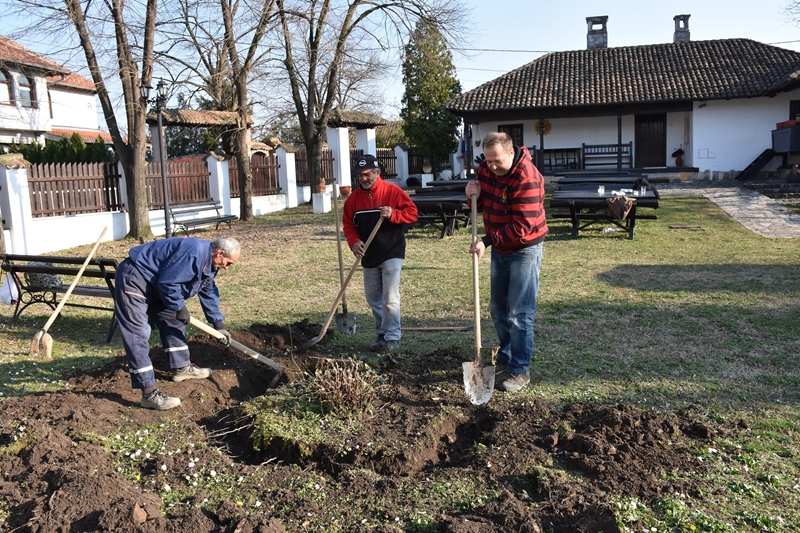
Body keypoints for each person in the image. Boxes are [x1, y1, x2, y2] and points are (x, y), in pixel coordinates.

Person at [114, 236, 240, 410]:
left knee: (173, 320)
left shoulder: (210, 263)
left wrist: (219, 325)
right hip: (136, 278)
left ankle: (181, 368)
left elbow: (208, 290)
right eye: (228, 263)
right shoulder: (193, 252)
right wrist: (180, 307)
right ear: (219, 252)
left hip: (156, 284)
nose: (226, 268)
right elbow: (168, 282)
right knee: (138, 333)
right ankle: (149, 393)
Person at [465, 132, 548, 393]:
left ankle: (520, 370)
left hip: (525, 248)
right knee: (498, 309)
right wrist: (470, 194)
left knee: (519, 313)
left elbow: (522, 226)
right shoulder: (485, 169)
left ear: (511, 153)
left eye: (497, 161)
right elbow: (479, 203)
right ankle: (508, 352)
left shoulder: (527, 177)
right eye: (488, 161)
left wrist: (486, 241)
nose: (492, 166)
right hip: (500, 246)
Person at [343, 154, 418, 352]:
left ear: (378, 173)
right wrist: (354, 242)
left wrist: (394, 214)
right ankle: (382, 333)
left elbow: (412, 213)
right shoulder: (353, 200)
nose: (363, 179)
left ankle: (392, 337)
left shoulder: (393, 192)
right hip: (368, 254)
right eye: (360, 175)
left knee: (390, 296)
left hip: (391, 251)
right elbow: (348, 225)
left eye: (367, 174)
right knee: (373, 297)